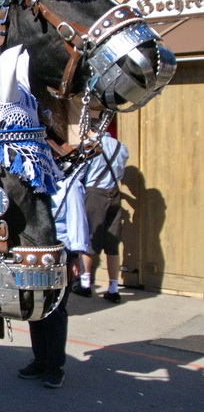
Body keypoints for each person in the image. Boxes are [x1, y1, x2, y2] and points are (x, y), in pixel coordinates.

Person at [17, 172, 88, 389]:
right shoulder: (29, 181)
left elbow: (77, 219)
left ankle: (55, 366)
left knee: (55, 311)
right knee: (34, 308)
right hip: (34, 252)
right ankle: (40, 360)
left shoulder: (68, 183)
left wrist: (76, 256)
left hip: (60, 252)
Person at [74, 126, 129, 304]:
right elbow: (120, 172)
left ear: (91, 130)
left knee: (90, 238)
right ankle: (113, 288)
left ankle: (85, 284)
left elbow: (79, 173)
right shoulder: (121, 146)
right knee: (112, 242)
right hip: (114, 192)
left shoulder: (91, 146)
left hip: (95, 193)